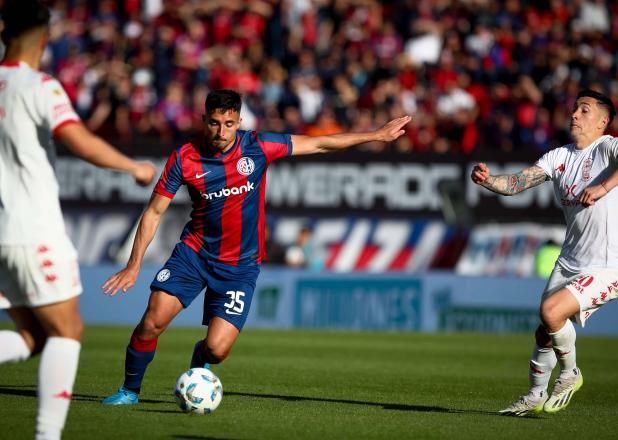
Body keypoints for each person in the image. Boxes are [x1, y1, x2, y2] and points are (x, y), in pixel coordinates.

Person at [100, 89, 411, 405]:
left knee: (217, 350)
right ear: (204, 120)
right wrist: (134, 263)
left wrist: (376, 135)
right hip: (193, 255)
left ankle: (200, 357)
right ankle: (129, 391)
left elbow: (319, 142)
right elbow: (154, 211)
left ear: (239, 122)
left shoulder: (258, 147)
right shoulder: (184, 157)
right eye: (214, 123)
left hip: (239, 267)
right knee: (151, 322)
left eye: (229, 124)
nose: (221, 132)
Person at [0, 2, 157, 439]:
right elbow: (81, 141)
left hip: (1, 233)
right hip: (33, 230)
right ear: (44, 38)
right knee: (67, 331)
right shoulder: (39, 86)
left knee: (33, 337)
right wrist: (133, 167)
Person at [471, 89, 618, 416]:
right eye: (574, 109)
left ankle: (570, 373)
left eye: (584, 111)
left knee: (551, 312)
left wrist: (604, 186)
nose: (574, 115)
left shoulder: (610, 148)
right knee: (545, 331)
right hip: (570, 261)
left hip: (608, 267)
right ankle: (535, 395)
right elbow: (518, 182)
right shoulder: (560, 156)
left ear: (602, 122)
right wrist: (490, 181)